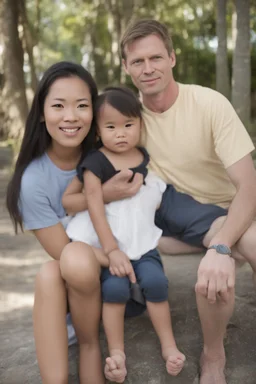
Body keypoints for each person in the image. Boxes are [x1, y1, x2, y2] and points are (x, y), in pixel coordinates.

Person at [120, 19, 256, 384]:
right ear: (126, 67)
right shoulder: (128, 118)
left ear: (172, 59)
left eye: (155, 58)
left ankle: (220, 245)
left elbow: (249, 185)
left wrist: (223, 245)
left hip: (230, 209)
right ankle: (214, 355)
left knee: (247, 245)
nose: (148, 69)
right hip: (178, 216)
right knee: (214, 270)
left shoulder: (209, 103)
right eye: (137, 62)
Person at [6, 62, 144, 384]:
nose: (71, 117)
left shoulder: (113, 151)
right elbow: (65, 252)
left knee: (54, 271)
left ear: (94, 113)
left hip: (128, 274)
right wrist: (103, 197)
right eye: (58, 106)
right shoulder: (34, 180)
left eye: (82, 106)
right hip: (87, 278)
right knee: (51, 272)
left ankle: (90, 347)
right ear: (41, 113)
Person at [63, 86, 186, 382]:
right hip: (110, 248)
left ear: (140, 125)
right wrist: (111, 250)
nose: (121, 133)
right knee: (115, 291)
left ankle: (169, 347)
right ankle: (117, 353)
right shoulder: (95, 162)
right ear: (98, 130)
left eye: (128, 125)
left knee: (156, 283)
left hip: (141, 244)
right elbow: (93, 203)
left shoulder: (143, 156)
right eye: (111, 127)